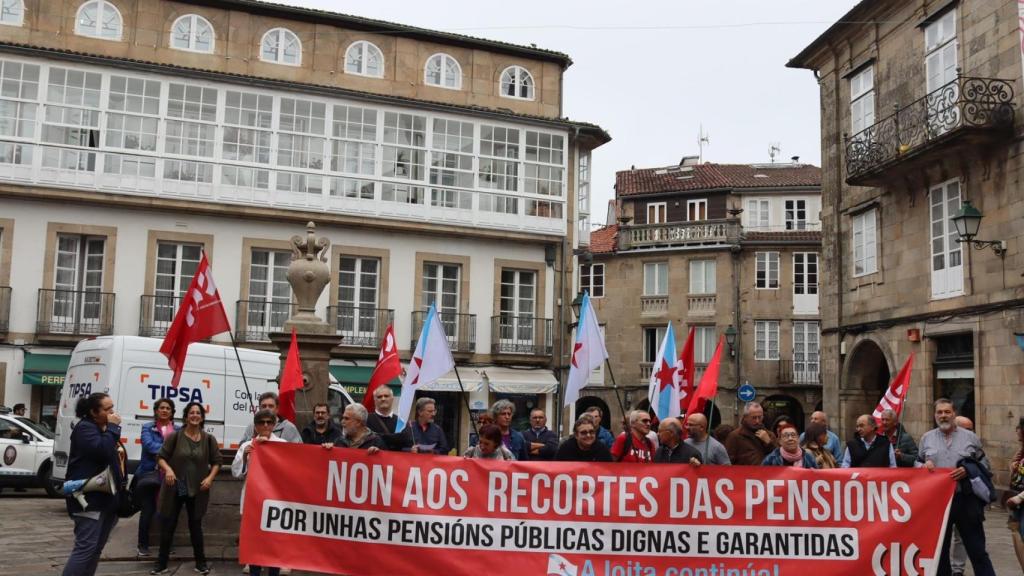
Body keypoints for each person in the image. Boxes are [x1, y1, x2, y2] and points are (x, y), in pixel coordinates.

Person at [917, 398, 996, 576]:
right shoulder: (926, 439)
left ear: (954, 414)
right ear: (934, 415)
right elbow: (917, 463)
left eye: (947, 412)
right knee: (940, 552)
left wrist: (968, 469)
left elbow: (985, 466)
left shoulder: (971, 438)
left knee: (977, 551)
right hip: (938, 504)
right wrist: (923, 466)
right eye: (940, 412)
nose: (943, 416)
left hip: (966, 500)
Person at [151, 402, 223, 575]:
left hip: (198, 488)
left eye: (198, 413)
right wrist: (168, 469)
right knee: (169, 524)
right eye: (192, 412)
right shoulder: (176, 436)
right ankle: (161, 564)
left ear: (202, 417)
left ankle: (201, 563)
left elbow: (217, 462)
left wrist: (210, 478)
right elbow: (161, 457)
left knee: (195, 526)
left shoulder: (208, 439)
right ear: (186, 416)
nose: (195, 415)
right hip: (179, 486)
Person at [62, 393, 125, 576]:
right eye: (107, 409)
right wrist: (113, 428)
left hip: (105, 499)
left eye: (112, 407)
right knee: (85, 549)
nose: (112, 412)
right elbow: (102, 451)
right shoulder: (86, 429)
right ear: (93, 411)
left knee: (95, 549)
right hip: (88, 498)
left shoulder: (101, 429)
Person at [232, 409, 287, 576]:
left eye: (269, 422)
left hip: (274, 501)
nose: (265, 425)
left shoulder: (283, 444)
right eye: (261, 422)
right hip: (253, 500)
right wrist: (246, 458)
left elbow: (289, 472)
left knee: (273, 544)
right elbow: (236, 472)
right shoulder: (247, 446)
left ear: (274, 424)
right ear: (255, 426)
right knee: (254, 543)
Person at [136, 398, 178, 557]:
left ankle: (167, 544)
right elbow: (149, 446)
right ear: (156, 411)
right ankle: (142, 545)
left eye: (168, 408)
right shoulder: (147, 427)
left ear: (172, 412)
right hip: (150, 475)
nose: (165, 410)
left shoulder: (178, 429)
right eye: (161, 408)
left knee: (169, 511)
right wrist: (169, 449)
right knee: (147, 511)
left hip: (170, 475)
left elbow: (181, 448)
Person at [365, 386, 414, 451]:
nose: (383, 399)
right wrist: (396, 438)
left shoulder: (401, 422)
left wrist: (378, 436)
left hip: (395, 460)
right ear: (375, 400)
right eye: (379, 397)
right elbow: (365, 440)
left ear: (392, 398)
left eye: (386, 396)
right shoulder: (366, 419)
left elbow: (407, 443)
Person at [1010, 417, 1024, 570]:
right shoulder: (1021, 451)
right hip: (1016, 506)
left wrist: (1019, 498)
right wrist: (1014, 466)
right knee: (1016, 536)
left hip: (1020, 502)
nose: (1017, 431)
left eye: (1019, 427)